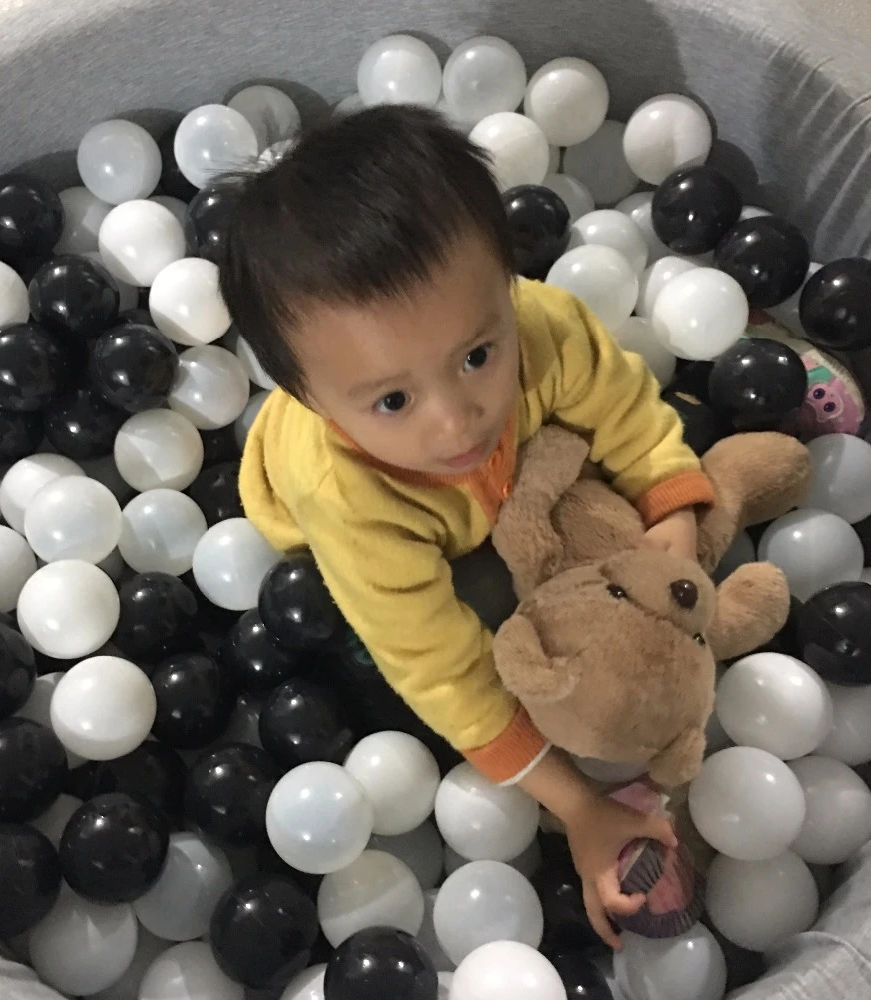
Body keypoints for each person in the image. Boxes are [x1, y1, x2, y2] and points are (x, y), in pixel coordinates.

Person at [221, 105, 714, 948]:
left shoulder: (543, 328)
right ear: (307, 396)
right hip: (352, 530)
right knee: (450, 618)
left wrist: (671, 499)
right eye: (393, 399)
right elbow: (439, 670)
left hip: (501, 494)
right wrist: (580, 806)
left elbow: (626, 405)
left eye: (477, 356)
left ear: (507, 285)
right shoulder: (344, 494)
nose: (456, 422)